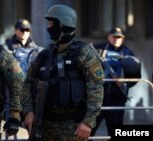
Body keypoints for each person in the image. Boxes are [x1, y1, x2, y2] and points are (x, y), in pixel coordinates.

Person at [21, 4, 104, 141]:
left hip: (73, 128)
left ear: (63, 25)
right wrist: (28, 112)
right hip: (44, 127)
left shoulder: (84, 54)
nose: (48, 27)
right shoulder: (44, 55)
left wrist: (88, 122)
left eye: (51, 23)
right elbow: (27, 84)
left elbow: (96, 90)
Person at [90, 27, 141, 140]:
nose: (116, 39)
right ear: (108, 37)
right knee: (89, 131)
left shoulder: (128, 53)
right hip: (97, 97)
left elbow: (136, 75)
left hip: (117, 98)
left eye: (119, 37)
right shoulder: (98, 49)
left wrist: (125, 84)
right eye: (114, 36)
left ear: (123, 39)